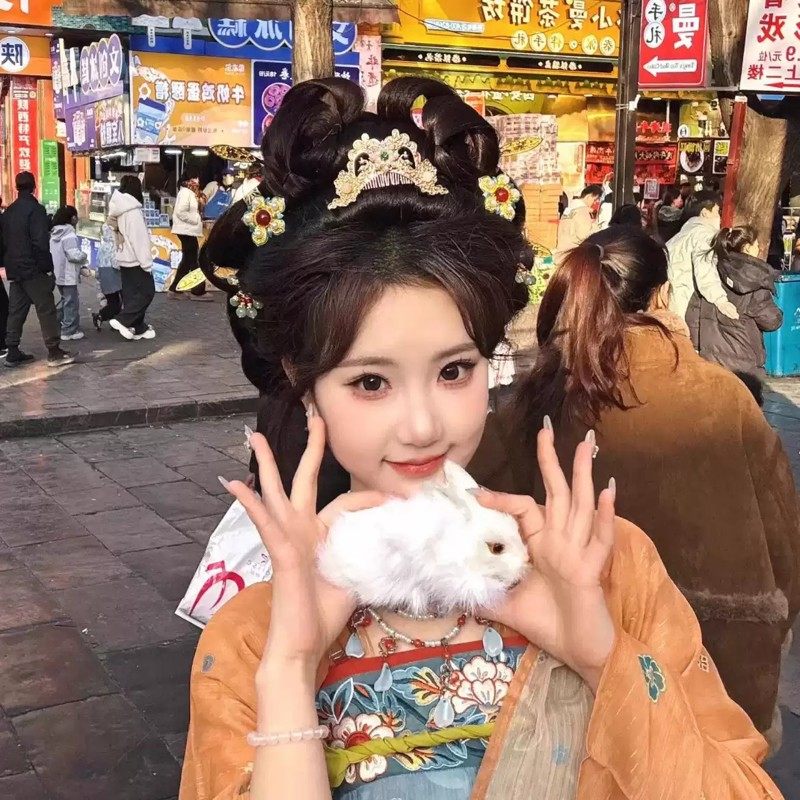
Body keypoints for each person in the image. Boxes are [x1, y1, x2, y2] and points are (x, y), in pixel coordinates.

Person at [180, 77, 784, 800]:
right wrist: (289, 669)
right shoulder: (255, 638)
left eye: (454, 371)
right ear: (303, 383)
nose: (423, 426)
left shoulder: (605, 568)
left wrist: (600, 654)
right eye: (370, 382)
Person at [505, 226, 799, 747]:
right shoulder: (721, 396)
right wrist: (775, 623)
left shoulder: (539, 399)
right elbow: (784, 535)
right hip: (715, 671)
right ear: (663, 296)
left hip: (572, 674)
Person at [686, 225, 783, 394]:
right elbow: (771, 321)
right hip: (744, 365)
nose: (759, 248)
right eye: (756, 244)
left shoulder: (711, 276)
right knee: (746, 408)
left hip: (711, 362)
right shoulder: (755, 281)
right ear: (747, 247)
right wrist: (778, 314)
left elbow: (692, 316)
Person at [0, 171, 74, 368]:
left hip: (15, 269)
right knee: (46, 308)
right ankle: (54, 351)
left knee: (16, 311)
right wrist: (47, 268)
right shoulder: (36, 210)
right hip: (33, 268)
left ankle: (12, 350)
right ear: (34, 187)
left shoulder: (9, 212)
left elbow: (4, 241)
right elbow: (40, 242)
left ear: (17, 187)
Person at [666, 190, 738, 323]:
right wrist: (720, 300)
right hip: (683, 300)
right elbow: (705, 268)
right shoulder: (704, 233)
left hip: (668, 296)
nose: (719, 217)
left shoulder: (683, 233)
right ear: (705, 212)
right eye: (717, 211)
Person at [107, 175, 156, 341]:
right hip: (135, 259)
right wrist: (147, 264)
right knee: (147, 292)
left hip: (123, 257)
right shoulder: (133, 212)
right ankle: (123, 320)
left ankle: (138, 327)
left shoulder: (118, 209)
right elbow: (139, 240)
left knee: (131, 294)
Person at [49, 205, 88, 342]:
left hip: (58, 273)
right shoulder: (69, 234)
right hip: (68, 274)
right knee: (71, 302)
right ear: (72, 218)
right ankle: (69, 330)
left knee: (65, 300)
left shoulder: (54, 233)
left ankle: (56, 322)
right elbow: (73, 255)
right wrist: (84, 256)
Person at [170, 171, 209, 300]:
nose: (197, 180)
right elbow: (181, 212)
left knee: (187, 260)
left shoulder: (189, 193)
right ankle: (198, 291)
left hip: (188, 230)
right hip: (186, 230)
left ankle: (175, 289)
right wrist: (196, 219)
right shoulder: (186, 193)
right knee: (194, 261)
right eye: (195, 177)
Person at [554, 184, 602, 264]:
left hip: (561, 256)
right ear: (588, 196)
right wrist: (597, 227)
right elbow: (583, 235)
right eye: (594, 200)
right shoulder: (582, 211)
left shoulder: (569, 210)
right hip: (573, 258)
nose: (594, 203)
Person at [91, 223, 123, 331]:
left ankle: (113, 321)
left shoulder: (103, 246)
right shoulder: (115, 246)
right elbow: (116, 263)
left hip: (104, 274)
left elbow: (97, 263)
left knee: (112, 301)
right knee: (119, 302)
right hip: (114, 275)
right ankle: (103, 316)